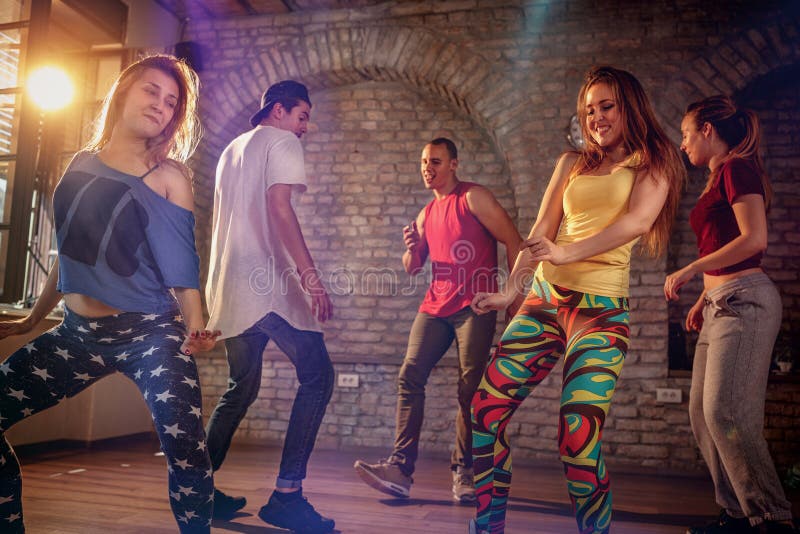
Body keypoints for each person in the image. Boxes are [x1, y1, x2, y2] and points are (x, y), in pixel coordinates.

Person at [0, 54, 218, 534]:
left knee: (187, 449)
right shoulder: (80, 163)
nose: (161, 105)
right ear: (123, 91)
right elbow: (69, 254)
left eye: (171, 101)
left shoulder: (169, 176)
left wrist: (197, 328)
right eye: (151, 91)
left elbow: (182, 268)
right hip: (76, 334)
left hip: (150, 333)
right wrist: (33, 319)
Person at [468, 65, 686, 534]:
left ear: (629, 106)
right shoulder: (572, 163)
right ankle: (486, 525)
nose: (596, 118)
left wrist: (566, 251)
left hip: (600, 314)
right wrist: (511, 290)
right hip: (544, 302)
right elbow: (540, 232)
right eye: (589, 110)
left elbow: (636, 224)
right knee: (484, 411)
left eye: (606, 106)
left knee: (577, 440)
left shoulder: (656, 159)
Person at [354, 137, 523, 503]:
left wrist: (514, 296)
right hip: (435, 307)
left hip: (474, 306)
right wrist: (412, 249)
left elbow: (514, 241)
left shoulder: (473, 197)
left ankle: (466, 473)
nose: (427, 168)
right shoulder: (426, 214)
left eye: (435, 161)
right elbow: (413, 268)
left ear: (454, 165)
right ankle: (400, 469)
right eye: (423, 162)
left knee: (469, 390)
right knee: (409, 375)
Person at [204, 80, 336, 533]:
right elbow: (280, 210)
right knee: (318, 376)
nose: (305, 126)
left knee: (240, 387)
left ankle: (195, 489)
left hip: (228, 286)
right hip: (264, 285)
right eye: (302, 116)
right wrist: (312, 279)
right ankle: (286, 496)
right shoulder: (280, 140)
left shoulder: (231, 150)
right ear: (278, 111)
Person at [665, 95, 795, 534]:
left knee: (726, 412)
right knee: (702, 416)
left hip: (746, 302)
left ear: (707, 130)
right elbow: (720, 245)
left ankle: (774, 519)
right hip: (721, 305)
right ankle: (737, 515)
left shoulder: (738, 168)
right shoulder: (717, 176)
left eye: (686, 134)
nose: (683, 145)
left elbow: (753, 239)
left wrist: (690, 269)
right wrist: (704, 298)